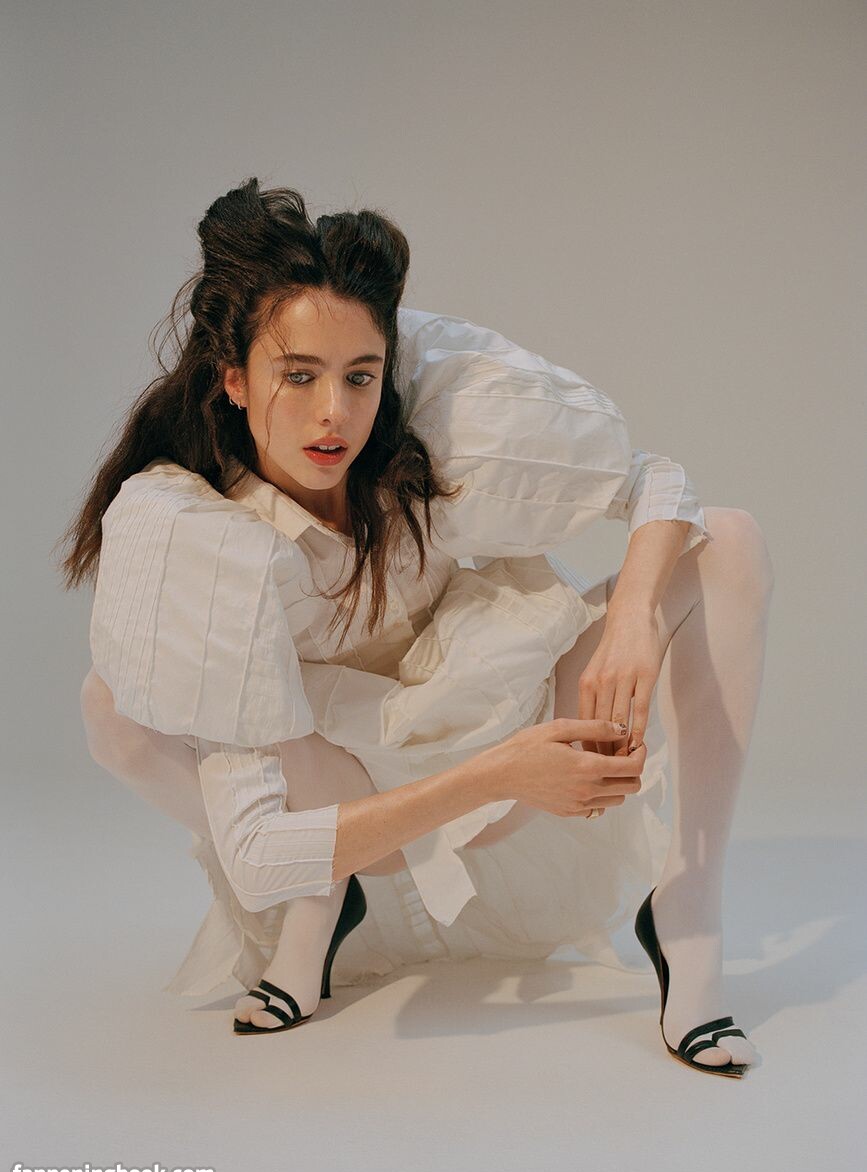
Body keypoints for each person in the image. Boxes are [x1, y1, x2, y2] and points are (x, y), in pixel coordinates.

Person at [58, 178, 773, 1073]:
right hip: (361, 792)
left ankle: (686, 911)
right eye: (298, 375)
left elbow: (655, 480)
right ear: (233, 379)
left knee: (729, 542)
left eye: (358, 376)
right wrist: (500, 775)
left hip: (503, 713)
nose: (334, 412)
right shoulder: (205, 534)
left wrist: (632, 614)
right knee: (110, 707)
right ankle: (322, 905)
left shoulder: (414, 441)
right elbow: (255, 850)